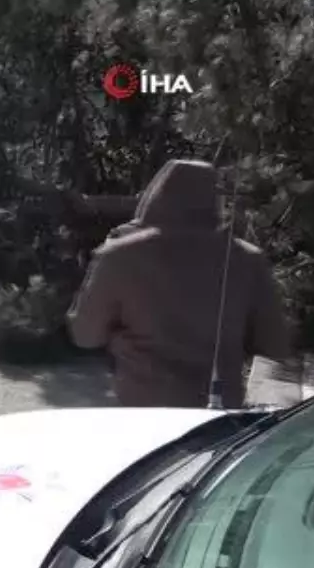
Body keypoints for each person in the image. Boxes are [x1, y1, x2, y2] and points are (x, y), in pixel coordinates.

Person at [68, 159, 292, 409]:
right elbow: (276, 343)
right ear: (213, 200)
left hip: (143, 407)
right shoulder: (248, 260)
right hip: (217, 415)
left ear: (156, 196)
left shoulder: (118, 256)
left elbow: (85, 335)